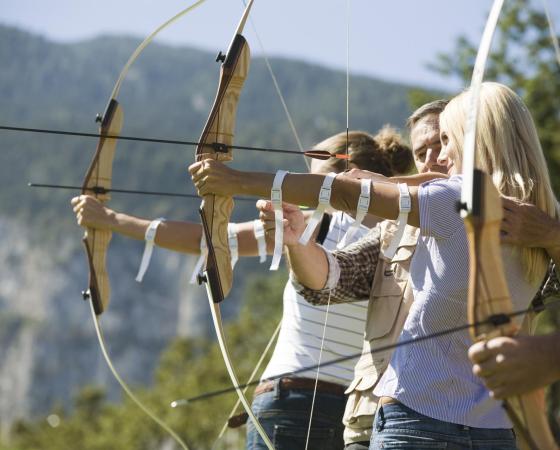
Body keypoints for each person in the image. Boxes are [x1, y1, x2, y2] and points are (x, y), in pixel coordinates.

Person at [189, 82, 559, 449]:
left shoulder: (451, 201)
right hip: (493, 429)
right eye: (429, 148)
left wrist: (234, 181)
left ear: (476, 137)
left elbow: (340, 192)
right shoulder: (543, 217)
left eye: (447, 140)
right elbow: (336, 276)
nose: (443, 156)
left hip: (417, 416)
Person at [72, 127, 414, 449]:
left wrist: (109, 219)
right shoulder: (409, 231)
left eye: (311, 179)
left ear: (345, 168)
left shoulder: (316, 221)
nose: (306, 191)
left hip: (294, 401)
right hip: (358, 414)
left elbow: (206, 240)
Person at [468, 199, 560, 400]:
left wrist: (553, 236)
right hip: (393, 400)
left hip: (499, 410)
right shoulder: (391, 227)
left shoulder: (531, 217)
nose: (438, 164)